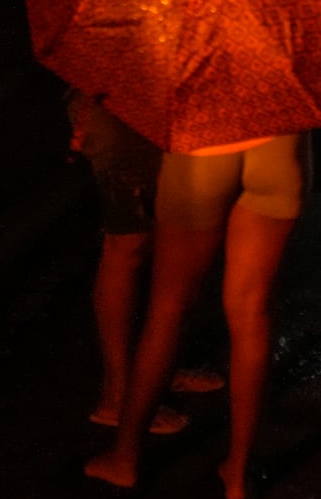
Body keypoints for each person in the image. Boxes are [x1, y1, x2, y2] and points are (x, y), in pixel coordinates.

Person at [85, 131, 310, 499]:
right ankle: (238, 473)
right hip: (281, 152)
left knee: (169, 310)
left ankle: (124, 458)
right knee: (252, 313)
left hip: (202, 153)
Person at [64, 88, 224, 437]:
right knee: (127, 246)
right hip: (121, 109)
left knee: (159, 240)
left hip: (153, 107)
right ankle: (118, 396)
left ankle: (155, 371)